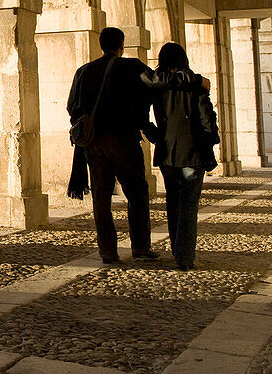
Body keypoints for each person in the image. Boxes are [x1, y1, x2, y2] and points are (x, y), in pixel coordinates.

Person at [66, 27, 208, 264]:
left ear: (101, 45)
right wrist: (195, 81)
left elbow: (72, 106)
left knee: (101, 197)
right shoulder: (131, 67)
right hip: (123, 139)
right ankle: (140, 247)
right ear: (122, 45)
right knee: (137, 193)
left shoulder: (84, 71)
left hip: (92, 143)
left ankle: (107, 252)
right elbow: (157, 81)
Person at [151, 42, 219, 270]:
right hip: (192, 151)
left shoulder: (158, 84)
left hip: (167, 150)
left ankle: (177, 249)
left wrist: (155, 135)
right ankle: (185, 256)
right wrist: (211, 142)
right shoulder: (196, 82)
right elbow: (206, 117)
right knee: (189, 204)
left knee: (173, 201)